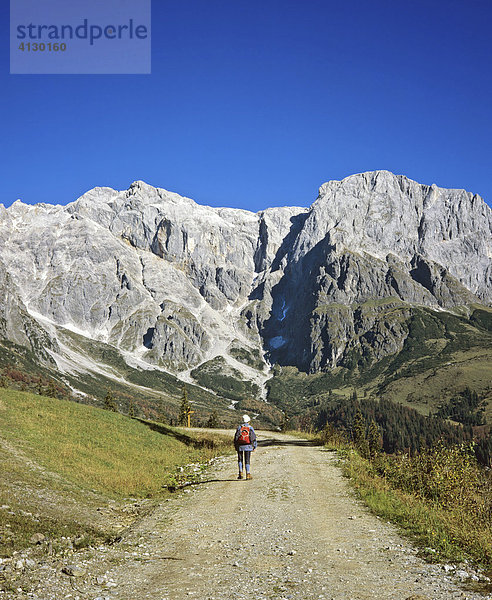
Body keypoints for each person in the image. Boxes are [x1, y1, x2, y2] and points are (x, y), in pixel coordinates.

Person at [234, 414, 257, 480]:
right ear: (248, 421)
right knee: (247, 460)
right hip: (248, 446)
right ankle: (248, 474)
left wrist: (236, 446)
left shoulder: (239, 427)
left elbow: (236, 438)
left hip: (240, 446)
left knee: (240, 460)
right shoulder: (250, 428)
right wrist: (254, 446)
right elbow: (253, 438)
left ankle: (240, 473)